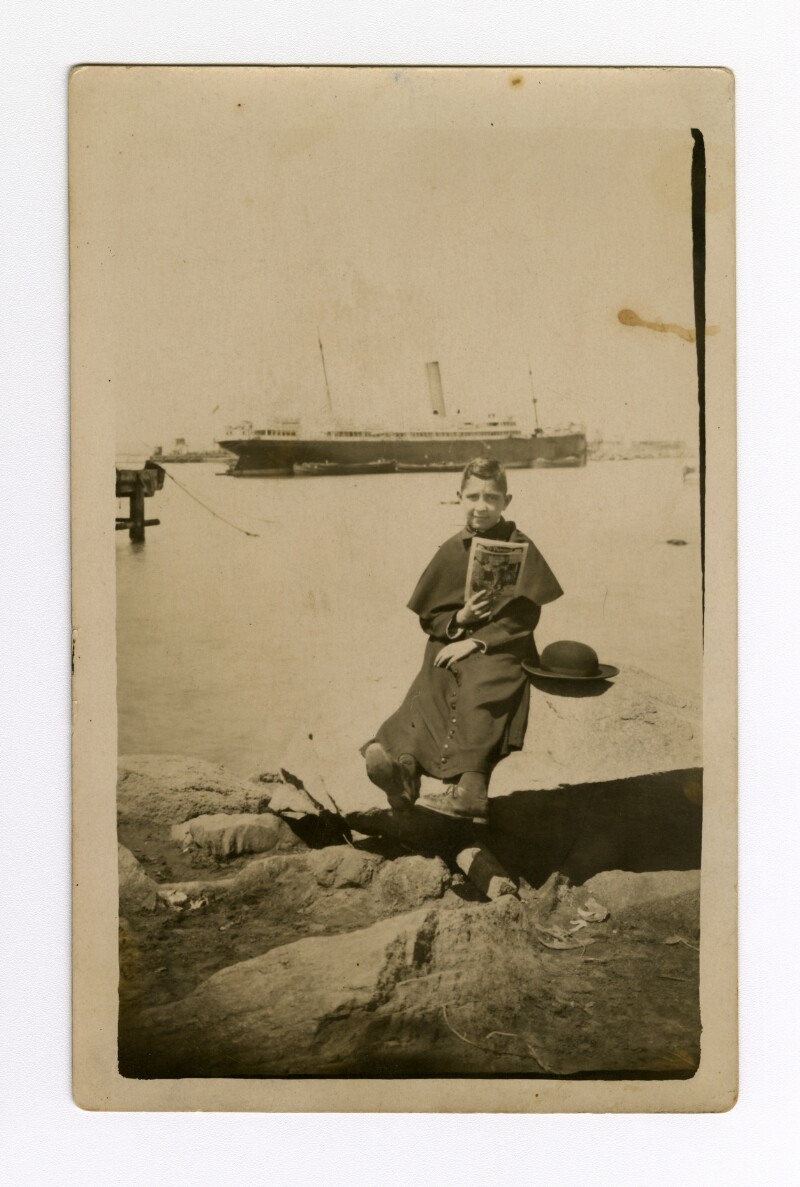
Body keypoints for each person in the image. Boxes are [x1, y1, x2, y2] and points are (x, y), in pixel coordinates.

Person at [362, 457, 562, 825]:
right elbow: (430, 615)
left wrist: (478, 641)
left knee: (480, 687)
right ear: (459, 497)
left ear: (506, 501)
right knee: (432, 680)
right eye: (472, 497)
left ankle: (472, 789)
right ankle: (404, 773)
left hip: (502, 644)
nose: (481, 506)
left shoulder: (521, 545)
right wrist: (459, 620)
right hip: (456, 637)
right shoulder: (451, 549)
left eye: (491, 497)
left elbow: (526, 614)